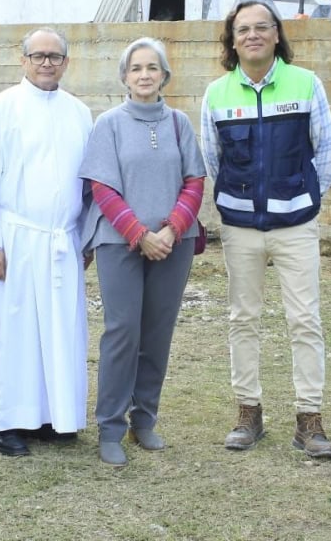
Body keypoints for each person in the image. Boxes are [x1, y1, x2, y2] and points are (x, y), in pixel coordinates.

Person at [201, 0, 331, 459]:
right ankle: (248, 412)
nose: (253, 35)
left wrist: (306, 200)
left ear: (278, 34)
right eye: (244, 29)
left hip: (296, 224)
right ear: (232, 39)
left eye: (263, 27)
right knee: (243, 318)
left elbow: (326, 152)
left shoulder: (305, 85)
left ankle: (309, 419)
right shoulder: (216, 94)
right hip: (241, 228)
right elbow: (210, 158)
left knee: (305, 319)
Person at [0, 27, 93, 458]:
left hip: (61, 240)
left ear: (66, 62)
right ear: (23, 60)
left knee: (60, 329)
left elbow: (90, 183)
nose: (47, 63)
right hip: (14, 240)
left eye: (55, 56)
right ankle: (7, 420)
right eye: (39, 56)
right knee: (12, 331)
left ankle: (54, 416)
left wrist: (86, 237)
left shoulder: (79, 112)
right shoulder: (2, 108)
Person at [79, 37, 206, 467]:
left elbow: (194, 181)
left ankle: (144, 420)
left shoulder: (179, 124)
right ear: (124, 77)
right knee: (122, 332)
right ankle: (110, 427)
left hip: (175, 242)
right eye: (136, 68)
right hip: (119, 243)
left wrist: (171, 229)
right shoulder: (108, 124)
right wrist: (139, 234)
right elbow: (103, 187)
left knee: (157, 333)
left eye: (153, 68)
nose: (145, 75)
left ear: (165, 75)